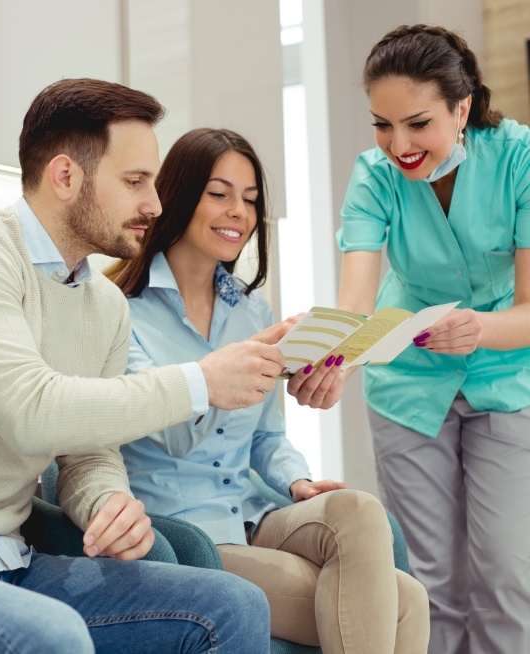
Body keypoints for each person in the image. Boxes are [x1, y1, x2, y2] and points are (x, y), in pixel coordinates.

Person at [0, 77, 283, 654]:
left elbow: (88, 452)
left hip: (12, 559)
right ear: (65, 177)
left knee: (232, 604)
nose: (155, 205)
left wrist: (106, 501)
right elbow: (32, 412)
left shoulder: (103, 304)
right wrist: (200, 382)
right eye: (135, 182)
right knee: (52, 636)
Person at [106, 127, 430, 654]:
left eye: (251, 200)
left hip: (254, 511)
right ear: (179, 194)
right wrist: (231, 366)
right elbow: (172, 436)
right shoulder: (120, 309)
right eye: (220, 194)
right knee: (406, 602)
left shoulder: (251, 309)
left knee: (361, 511)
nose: (239, 211)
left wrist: (296, 481)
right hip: (185, 533)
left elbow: (267, 437)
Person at [336, 24, 530, 654]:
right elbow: (354, 308)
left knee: (506, 575)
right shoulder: (373, 177)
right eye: (382, 125)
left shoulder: (519, 159)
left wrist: (481, 329)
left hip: (507, 372)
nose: (399, 145)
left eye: (417, 123)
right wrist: (331, 360)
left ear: (462, 106)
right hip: (409, 382)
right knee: (429, 583)